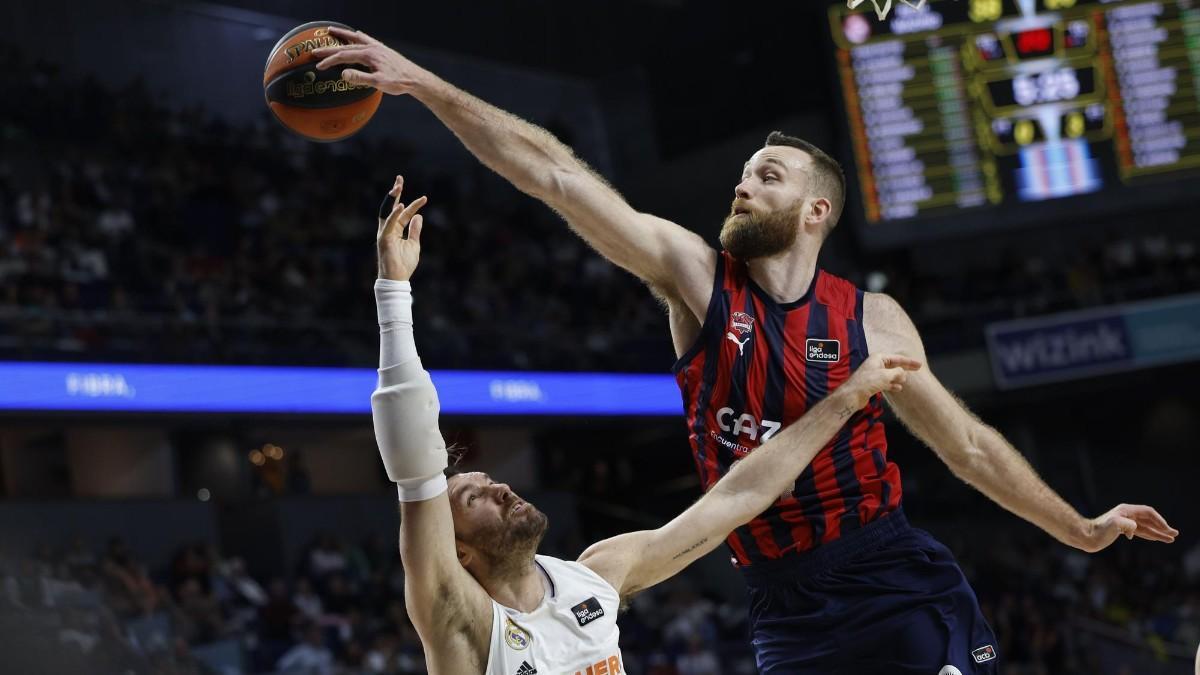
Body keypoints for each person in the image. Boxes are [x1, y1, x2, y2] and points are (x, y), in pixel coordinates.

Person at [315, 30, 1181, 674]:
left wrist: (1077, 525)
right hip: (777, 595)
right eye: (744, 171)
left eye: (769, 175)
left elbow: (966, 445)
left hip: (886, 565)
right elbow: (557, 177)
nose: (743, 181)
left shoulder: (872, 320)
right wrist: (424, 83)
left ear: (816, 212)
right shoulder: (697, 277)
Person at [369, 176, 919, 674]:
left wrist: (846, 398)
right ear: (458, 552)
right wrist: (394, 292)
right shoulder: (463, 622)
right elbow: (416, 462)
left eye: (488, 481)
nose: (498, 488)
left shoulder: (598, 574)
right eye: (474, 499)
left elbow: (742, 493)